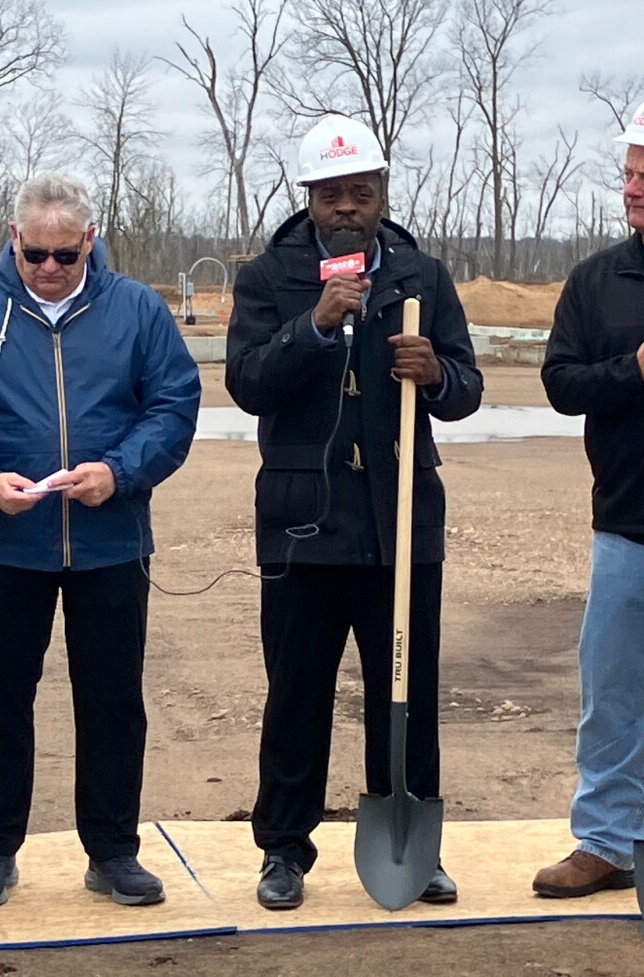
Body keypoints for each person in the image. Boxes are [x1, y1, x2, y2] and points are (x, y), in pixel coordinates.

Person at [0, 173, 201, 910]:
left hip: (110, 545)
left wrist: (120, 470)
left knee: (111, 700)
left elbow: (173, 404)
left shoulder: (137, 310)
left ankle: (112, 849)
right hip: (4, 546)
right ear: (14, 240)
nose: (47, 268)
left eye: (63, 256)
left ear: (90, 242)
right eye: (35, 253)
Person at [225, 115, 482, 909]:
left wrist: (435, 371)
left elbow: (467, 390)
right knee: (296, 692)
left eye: (360, 193)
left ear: (380, 195)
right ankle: (283, 849)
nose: (346, 207)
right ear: (308, 197)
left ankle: (415, 840)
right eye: (331, 194)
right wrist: (316, 325)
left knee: (405, 689)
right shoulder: (268, 277)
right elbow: (248, 383)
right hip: (304, 524)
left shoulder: (422, 276)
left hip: (401, 522)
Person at [533, 100, 644, 899]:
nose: (633, 190)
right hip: (626, 524)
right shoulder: (597, 281)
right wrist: (634, 370)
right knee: (610, 692)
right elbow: (561, 383)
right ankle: (606, 838)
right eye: (630, 175)